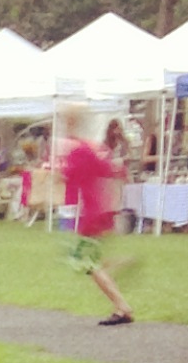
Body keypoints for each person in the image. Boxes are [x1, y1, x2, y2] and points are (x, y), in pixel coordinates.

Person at [57, 113, 137, 323]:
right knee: (85, 261)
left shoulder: (77, 150)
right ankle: (122, 269)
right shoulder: (94, 148)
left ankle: (122, 305)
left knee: (86, 262)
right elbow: (113, 171)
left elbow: (68, 178)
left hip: (90, 210)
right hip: (102, 207)